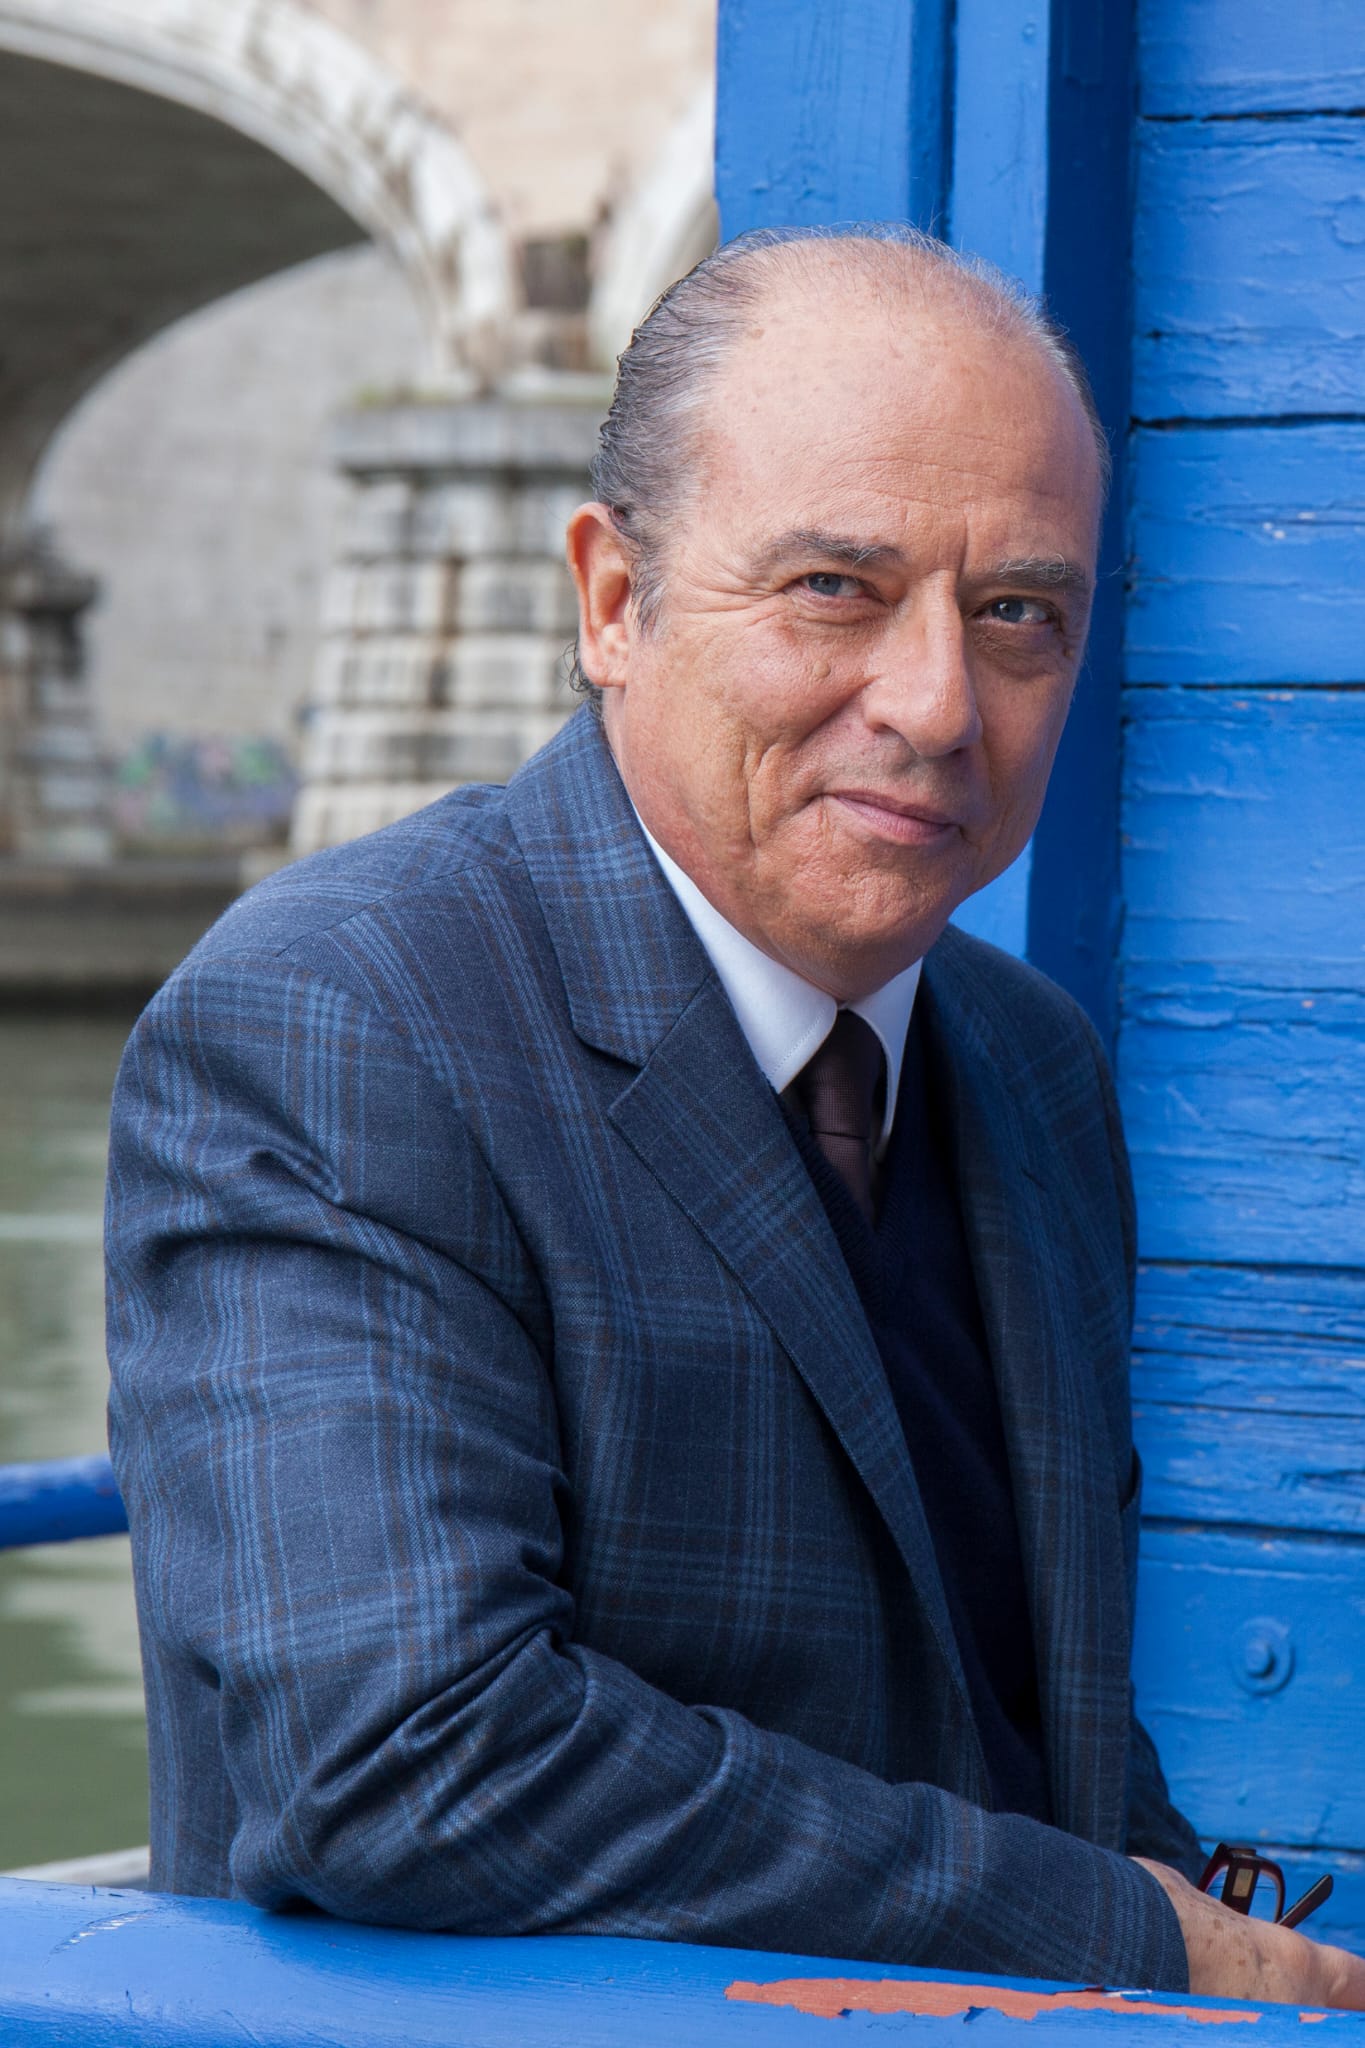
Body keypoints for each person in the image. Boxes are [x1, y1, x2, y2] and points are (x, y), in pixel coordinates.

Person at [105, 225, 1365, 2006]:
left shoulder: (1030, 1064)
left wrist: (1205, 1943)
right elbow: (402, 1756)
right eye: (834, 588)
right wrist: (1131, 1938)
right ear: (612, 603)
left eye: (1017, 613)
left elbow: (1025, 1715)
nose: (936, 703)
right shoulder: (342, 1015)